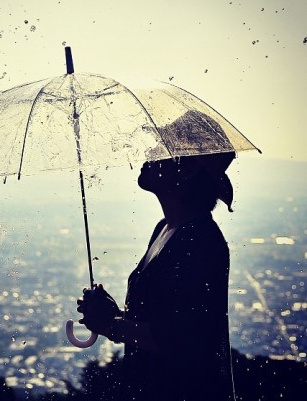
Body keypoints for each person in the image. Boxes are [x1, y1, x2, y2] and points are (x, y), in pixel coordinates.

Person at [77, 152, 237, 400]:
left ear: (188, 170)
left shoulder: (200, 240)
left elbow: (185, 339)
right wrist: (115, 314)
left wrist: (112, 325)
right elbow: (165, 317)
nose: (150, 154)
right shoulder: (165, 228)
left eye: (164, 151)